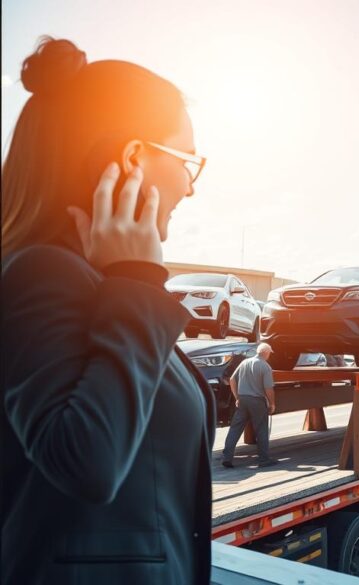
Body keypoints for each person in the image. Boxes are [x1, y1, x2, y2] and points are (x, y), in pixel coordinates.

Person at [1, 38, 213, 583]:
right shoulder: (40, 273)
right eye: (187, 161)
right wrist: (138, 279)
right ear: (135, 158)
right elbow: (85, 460)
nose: (189, 188)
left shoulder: (94, 282)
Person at [222, 343, 279, 468]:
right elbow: (268, 388)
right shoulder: (265, 367)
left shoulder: (244, 363)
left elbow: (232, 379)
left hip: (242, 400)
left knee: (235, 429)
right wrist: (272, 403)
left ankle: (227, 457)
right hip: (257, 401)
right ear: (267, 353)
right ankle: (264, 460)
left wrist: (237, 397)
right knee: (261, 429)